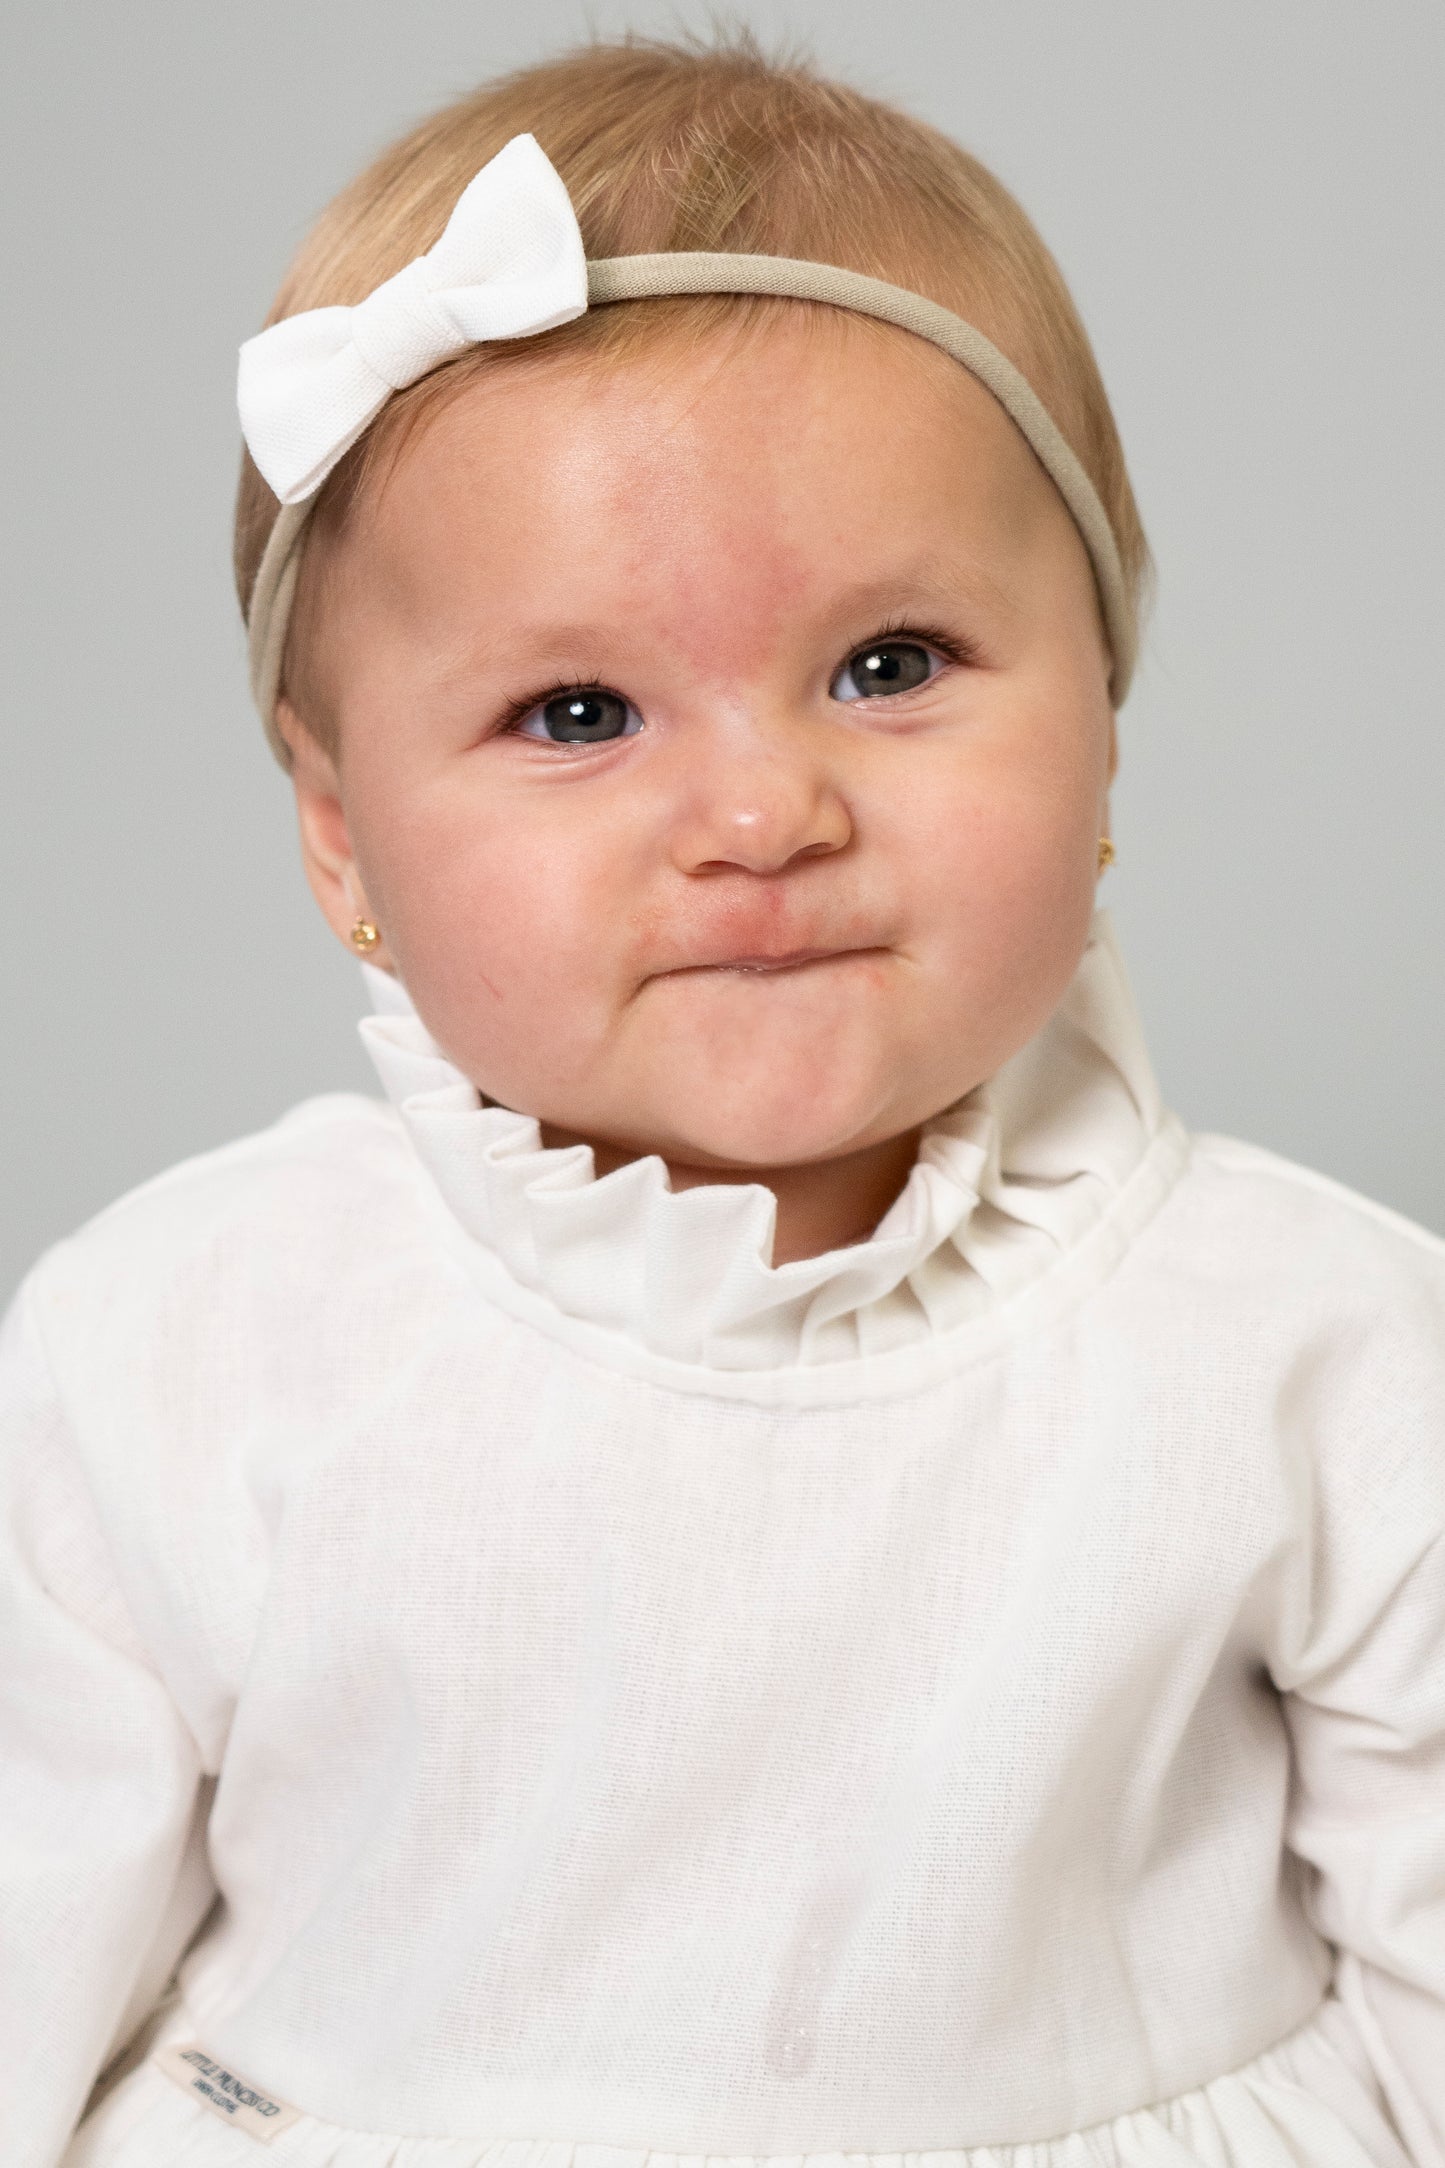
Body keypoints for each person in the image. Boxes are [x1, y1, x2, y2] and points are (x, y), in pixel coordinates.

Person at [3, 32, 1442, 2168]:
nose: (765, 808)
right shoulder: (183, 1344)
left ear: (1108, 721)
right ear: (339, 840)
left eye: (894, 663)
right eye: (576, 710)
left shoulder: (1325, 1356)